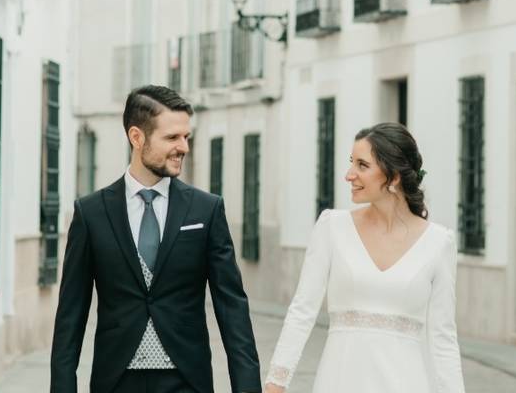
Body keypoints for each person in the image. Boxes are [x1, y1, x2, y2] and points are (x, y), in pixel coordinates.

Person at [50, 85, 262, 393]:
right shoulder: (91, 213)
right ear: (137, 137)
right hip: (115, 381)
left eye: (186, 137)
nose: (184, 147)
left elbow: (233, 311)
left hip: (187, 380)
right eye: (172, 137)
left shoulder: (206, 209)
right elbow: (70, 316)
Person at [264, 122, 466, 393]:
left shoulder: (439, 243)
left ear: (393, 177)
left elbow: (443, 339)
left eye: (362, 165)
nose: (349, 175)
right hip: (338, 381)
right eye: (352, 163)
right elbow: (302, 311)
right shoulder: (331, 227)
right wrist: (276, 382)